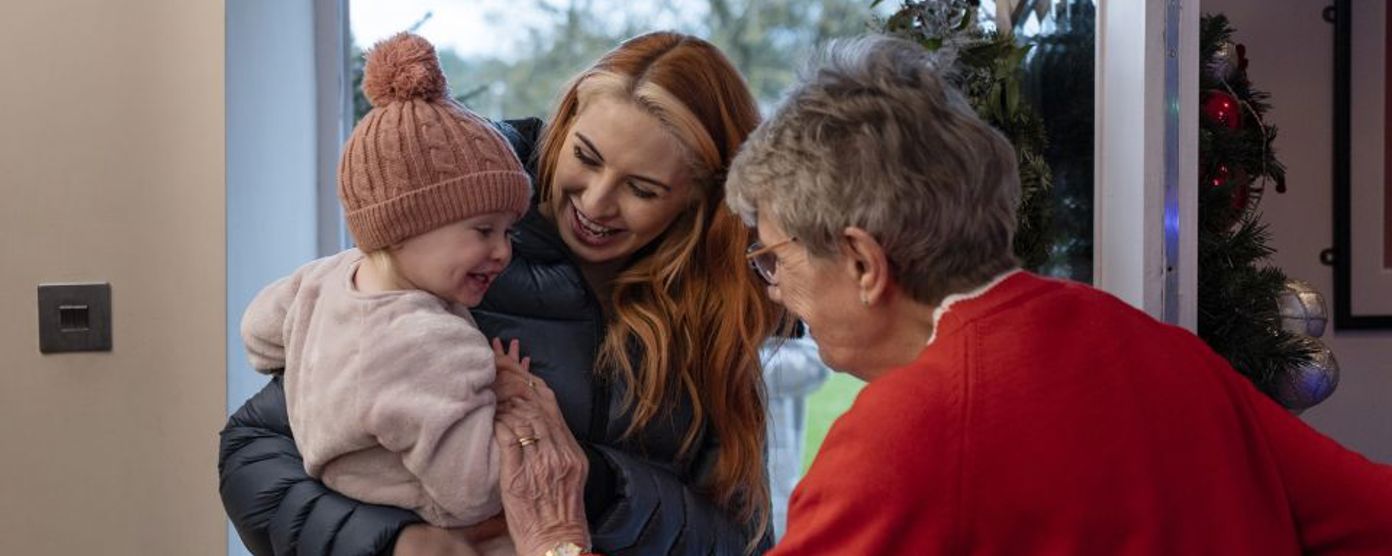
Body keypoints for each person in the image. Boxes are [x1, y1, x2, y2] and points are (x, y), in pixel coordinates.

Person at [489, 34, 1392, 555]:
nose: (783, 303)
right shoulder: (1131, 335)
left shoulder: (900, 438)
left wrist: (560, 544)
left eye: (772, 263)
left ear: (864, 262)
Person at [219, 31, 781, 556]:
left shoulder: (716, 315)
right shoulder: (449, 257)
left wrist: (601, 488)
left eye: (642, 189)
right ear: (566, 124)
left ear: (699, 201)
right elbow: (252, 450)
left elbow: (742, 538)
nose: (596, 202)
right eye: (585, 158)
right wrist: (394, 542)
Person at [238, 32, 529, 552]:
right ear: (404, 226)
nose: (503, 252)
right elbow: (475, 491)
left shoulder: (321, 280)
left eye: (509, 232)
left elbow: (259, 337)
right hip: (441, 527)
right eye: (483, 231)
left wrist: (317, 364)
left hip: (339, 511)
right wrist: (508, 404)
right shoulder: (436, 344)